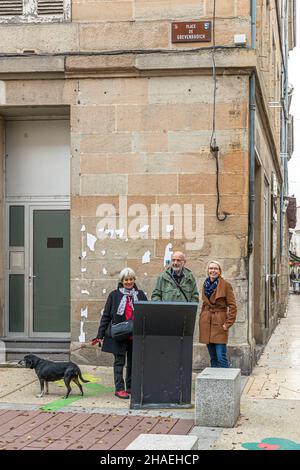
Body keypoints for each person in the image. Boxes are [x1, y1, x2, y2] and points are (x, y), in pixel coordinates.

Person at [91, 268, 147, 399]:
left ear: (134, 280)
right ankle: (119, 388)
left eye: (131, 279)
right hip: (119, 335)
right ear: (121, 281)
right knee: (119, 362)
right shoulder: (114, 295)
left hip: (134, 335)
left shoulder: (140, 295)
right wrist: (100, 335)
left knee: (133, 363)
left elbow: (146, 314)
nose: (129, 282)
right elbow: (106, 316)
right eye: (126, 280)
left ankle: (131, 387)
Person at [199, 260, 237, 368]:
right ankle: (214, 381)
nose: (213, 271)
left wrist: (227, 324)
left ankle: (225, 382)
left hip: (219, 323)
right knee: (213, 357)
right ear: (208, 271)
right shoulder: (205, 284)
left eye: (215, 268)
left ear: (220, 271)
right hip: (207, 323)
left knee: (221, 356)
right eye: (211, 268)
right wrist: (202, 318)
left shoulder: (225, 285)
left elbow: (233, 306)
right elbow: (204, 303)